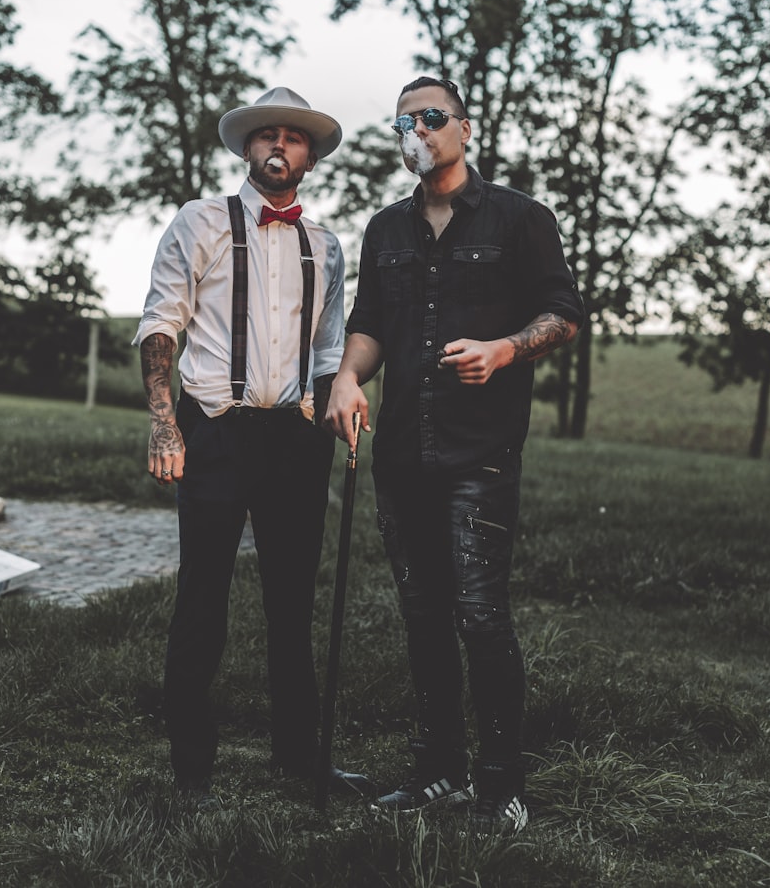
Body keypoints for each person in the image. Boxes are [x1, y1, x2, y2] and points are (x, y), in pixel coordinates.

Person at [325, 77, 585, 836]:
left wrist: (506, 349)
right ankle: (438, 770)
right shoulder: (385, 230)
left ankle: (501, 784)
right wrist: (346, 376)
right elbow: (369, 322)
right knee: (423, 615)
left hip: (482, 451)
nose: (417, 130)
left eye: (432, 118)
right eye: (404, 121)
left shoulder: (519, 218)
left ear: (464, 130)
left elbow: (564, 313)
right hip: (403, 451)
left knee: (479, 613)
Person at [133, 87, 371, 807]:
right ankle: (192, 767)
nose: (279, 146)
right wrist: (164, 420)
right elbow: (160, 321)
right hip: (216, 426)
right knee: (203, 593)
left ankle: (300, 758)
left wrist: (342, 397)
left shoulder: (325, 245)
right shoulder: (199, 221)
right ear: (247, 149)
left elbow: (330, 346)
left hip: (297, 439)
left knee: (292, 601)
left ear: (308, 156)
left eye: (293, 138)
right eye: (266, 135)